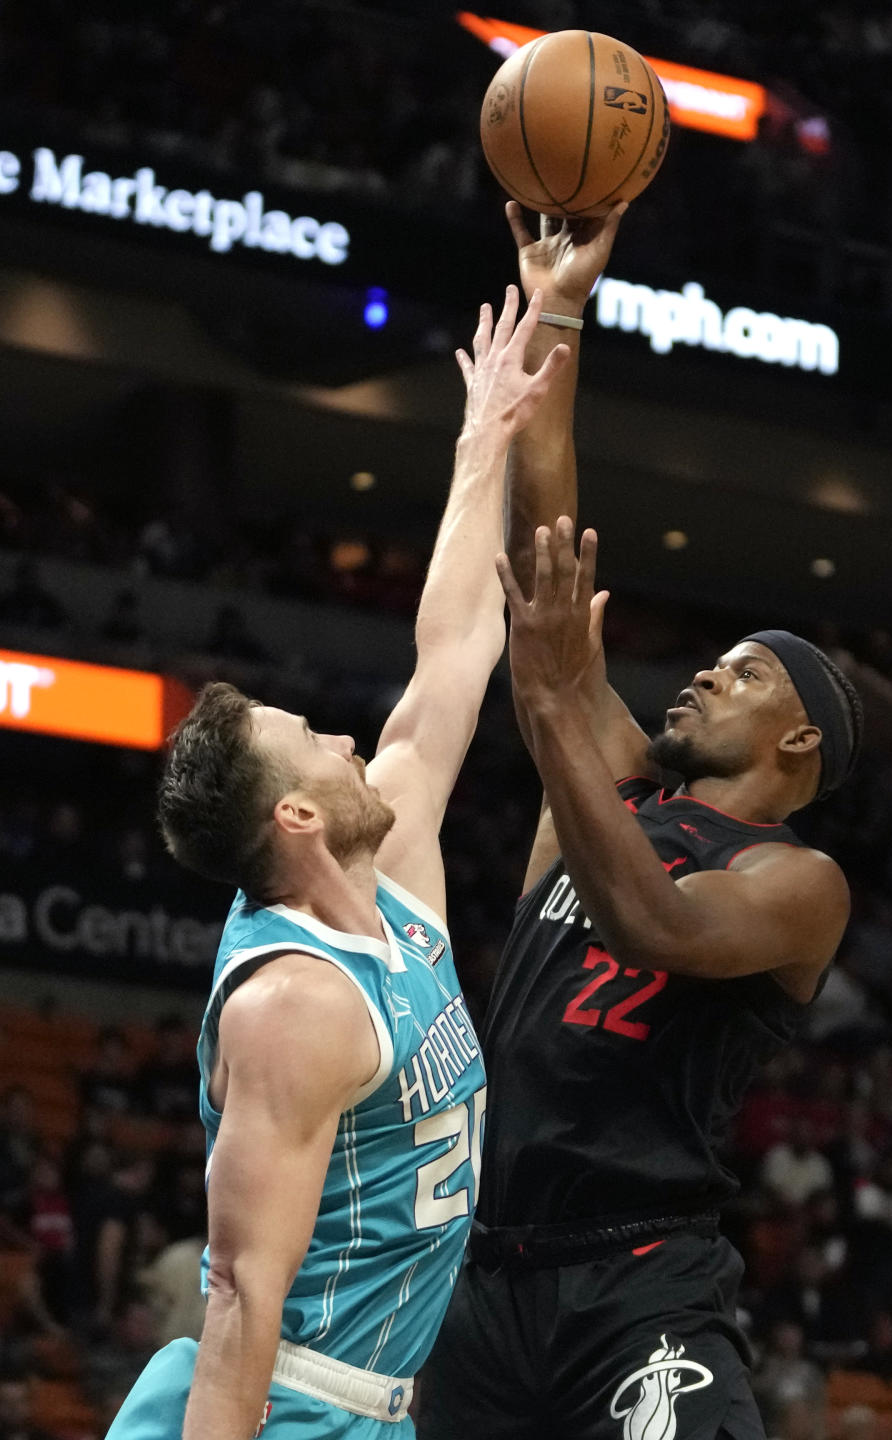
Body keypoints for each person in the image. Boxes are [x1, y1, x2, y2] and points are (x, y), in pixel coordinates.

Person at [417, 206, 862, 1439]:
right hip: (479, 1278)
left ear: (800, 742)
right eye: (715, 662)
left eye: (745, 673)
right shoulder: (617, 781)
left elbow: (650, 918)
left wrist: (556, 690)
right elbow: (550, 543)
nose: (708, 676)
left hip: (638, 1284)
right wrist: (560, 304)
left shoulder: (796, 882)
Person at [103, 286, 570, 1440]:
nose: (352, 739)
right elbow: (241, 1296)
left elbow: (454, 651)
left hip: (379, 1410)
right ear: (300, 818)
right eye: (318, 743)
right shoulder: (295, 1006)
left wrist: (485, 436)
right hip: (284, 1410)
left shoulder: (391, 885)